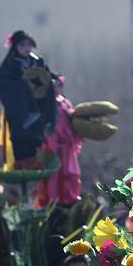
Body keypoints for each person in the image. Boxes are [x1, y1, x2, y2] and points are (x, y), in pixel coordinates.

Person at [0, 30, 57, 170]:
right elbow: (2, 82)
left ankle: (38, 162)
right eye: (22, 45)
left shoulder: (37, 62)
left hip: (40, 108)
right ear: (15, 47)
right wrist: (23, 85)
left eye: (29, 44)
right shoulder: (10, 66)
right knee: (22, 139)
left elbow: (48, 77)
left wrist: (51, 80)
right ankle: (23, 164)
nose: (27, 48)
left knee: (38, 138)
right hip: (21, 111)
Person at [35, 74, 84, 207]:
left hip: (67, 148)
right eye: (53, 85)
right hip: (51, 146)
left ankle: (69, 201)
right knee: (52, 178)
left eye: (59, 85)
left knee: (70, 175)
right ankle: (53, 203)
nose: (57, 88)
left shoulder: (66, 103)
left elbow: (73, 124)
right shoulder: (44, 104)